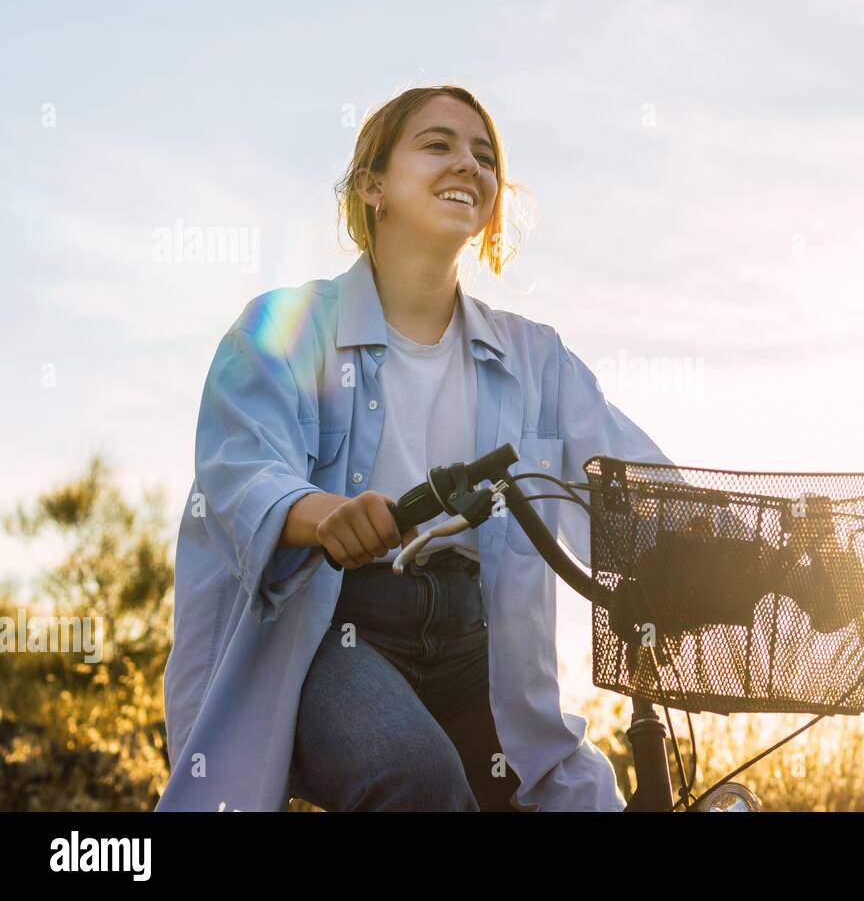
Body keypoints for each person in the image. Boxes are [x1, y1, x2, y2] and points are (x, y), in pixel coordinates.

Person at [157, 85, 683, 811]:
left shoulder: (534, 357)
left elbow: (635, 485)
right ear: (373, 186)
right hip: (333, 630)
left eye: (485, 155)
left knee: (578, 799)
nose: (467, 163)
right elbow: (241, 468)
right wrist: (324, 513)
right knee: (418, 779)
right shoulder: (287, 326)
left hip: (478, 639)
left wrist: (774, 553)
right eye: (437, 145)